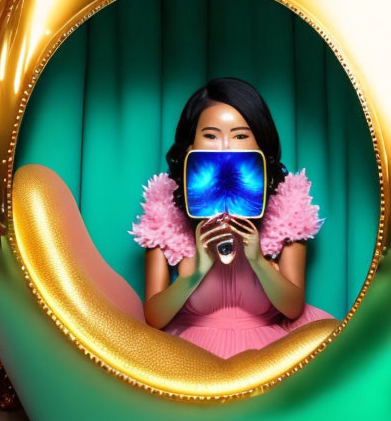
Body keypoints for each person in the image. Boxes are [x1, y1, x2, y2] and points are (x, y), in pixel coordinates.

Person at [129, 77, 338, 359]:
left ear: (260, 146)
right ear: (190, 146)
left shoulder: (289, 204)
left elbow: (293, 308)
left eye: (240, 136)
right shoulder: (162, 209)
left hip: (271, 352)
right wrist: (198, 272)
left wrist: (258, 261)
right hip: (192, 354)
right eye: (211, 135)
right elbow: (154, 317)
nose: (225, 146)